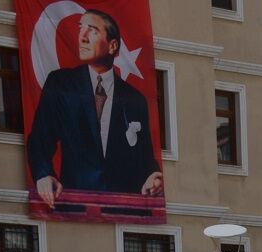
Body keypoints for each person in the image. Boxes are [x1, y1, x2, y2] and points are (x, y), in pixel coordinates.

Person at [26, 10, 163, 207]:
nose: (82, 37)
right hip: (75, 206)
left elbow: (144, 157)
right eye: (80, 28)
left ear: (113, 45)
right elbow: (40, 140)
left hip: (123, 209)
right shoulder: (62, 84)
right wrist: (43, 174)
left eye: (92, 30)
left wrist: (152, 176)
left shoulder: (134, 99)